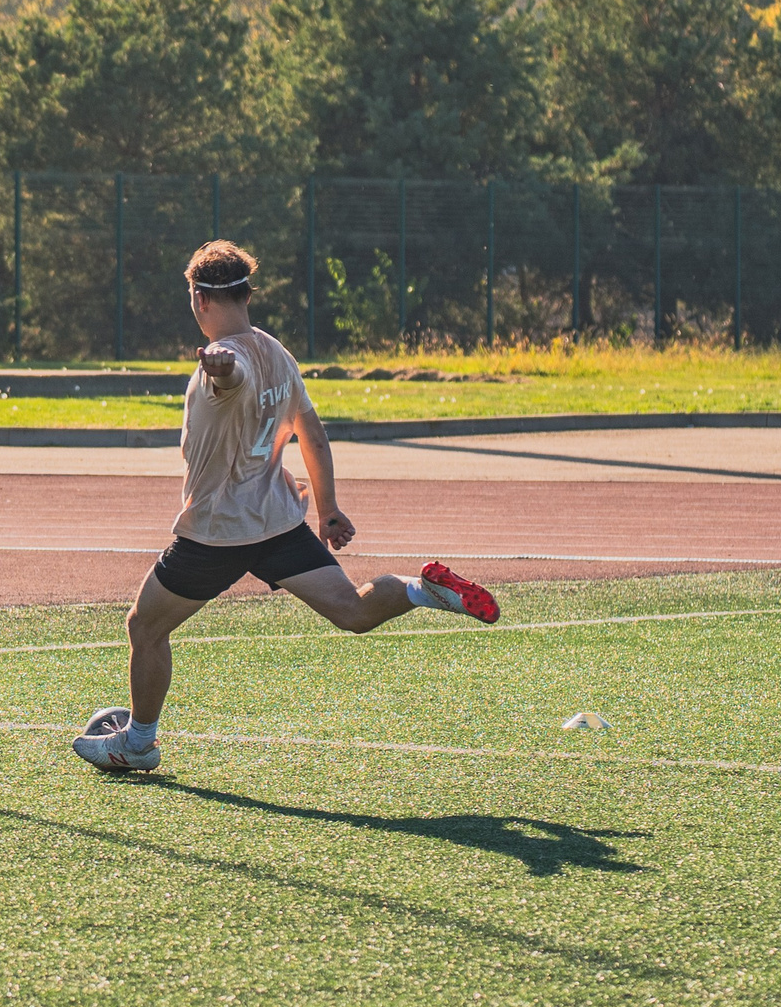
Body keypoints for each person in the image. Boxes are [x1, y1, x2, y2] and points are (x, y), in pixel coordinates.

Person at [73, 241, 500, 774]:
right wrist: (329, 509)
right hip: (279, 521)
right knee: (353, 612)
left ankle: (137, 743)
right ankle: (422, 589)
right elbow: (313, 436)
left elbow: (232, 381)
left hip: (216, 533)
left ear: (200, 298)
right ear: (244, 294)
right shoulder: (278, 352)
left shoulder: (223, 364)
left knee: (144, 627)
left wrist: (222, 369)